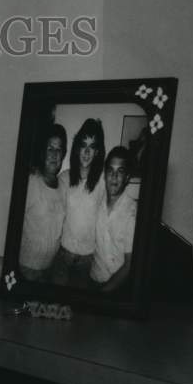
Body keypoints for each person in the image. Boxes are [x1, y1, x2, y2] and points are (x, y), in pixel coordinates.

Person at [52, 118, 105, 287]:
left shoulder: (103, 181)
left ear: (97, 152)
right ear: (77, 148)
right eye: (83, 145)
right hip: (63, 255)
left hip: (87, 260)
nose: (87, 152)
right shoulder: (64, 178)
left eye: (92, 147)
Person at [17, 124, 67, 282]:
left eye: (58, 150)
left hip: (51, 268)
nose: (54, 154)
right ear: (42, 152)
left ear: (63, 155)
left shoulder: (63, 185)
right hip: (26, 269)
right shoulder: (30, 182)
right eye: (50, 148)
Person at [90, 146, 138, 293]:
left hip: (118, 287)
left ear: (127, 177)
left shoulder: (133, 212)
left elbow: (130, 265)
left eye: (120, 171)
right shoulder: (96, 201)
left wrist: (102, 293)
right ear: (105, 174)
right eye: (110, 170)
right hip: (92, 280)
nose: (114, 176)